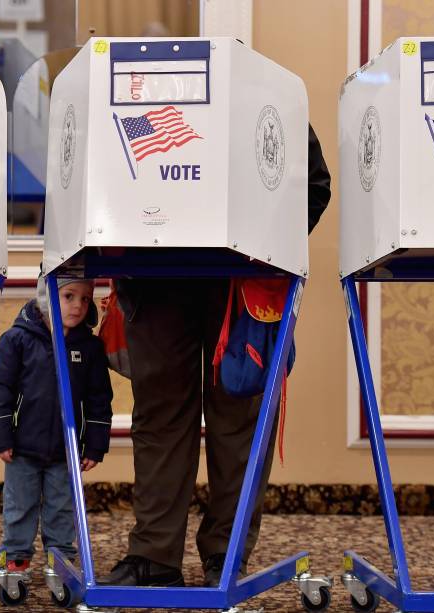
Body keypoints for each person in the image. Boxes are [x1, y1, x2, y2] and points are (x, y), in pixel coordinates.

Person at [100, 126, 332, 587]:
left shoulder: (260, 93)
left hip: (238, 280)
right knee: (161, 416)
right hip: (154, 276)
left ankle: (225, 558)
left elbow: (313, 185)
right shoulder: (131, 101)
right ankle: (154, 556)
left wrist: (265, 247)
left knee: (240, 417)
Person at [0, 278, 113, 572]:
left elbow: (99, 399)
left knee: (61, 509)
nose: (78, 306)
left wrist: (95, 444)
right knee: (20, 507)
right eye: (69, 296)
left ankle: (61, 562)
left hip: (66, 450)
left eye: (85, 298)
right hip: (21, 448)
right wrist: (1, 437)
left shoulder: (90, 347)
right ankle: (15, 560)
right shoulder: (18, 340)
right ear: (46, 297)